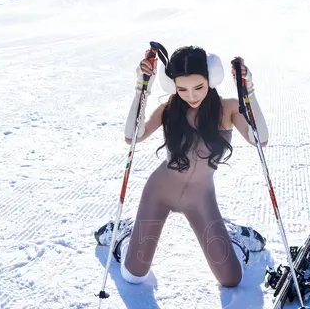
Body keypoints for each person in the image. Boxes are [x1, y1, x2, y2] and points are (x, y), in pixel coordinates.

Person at [95, 45, 270, 288]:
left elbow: (259, 139)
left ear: (211, 79)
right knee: (133, 275)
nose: (191, 95)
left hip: (201, 198)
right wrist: (141, 88)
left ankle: (235, 239)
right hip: (159, 193)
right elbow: (132, 136)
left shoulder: (228, 109)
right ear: (172, 86)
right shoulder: (169, 109)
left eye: (198, 87)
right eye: (182, 89)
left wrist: (248, 91)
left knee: (231, 279)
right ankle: (126, 236)